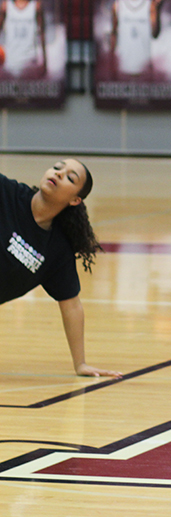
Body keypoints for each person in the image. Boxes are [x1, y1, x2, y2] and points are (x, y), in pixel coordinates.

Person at [1, 160, 121, 378]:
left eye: (70, 177)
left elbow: (71, 306)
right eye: (57, 168)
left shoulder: (57, 250)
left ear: (76, 200)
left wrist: (81, 364)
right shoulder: (7, 193)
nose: (58, 174)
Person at [110, 0, 164, 77]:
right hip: (123, 65)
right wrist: (112, 62)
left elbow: (155, 34)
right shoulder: (118, 4)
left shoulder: (150, 4)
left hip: (144, 65)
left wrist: (157, 11)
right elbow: (114, 33)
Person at [0, 0, 46, 77]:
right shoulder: (6, 6)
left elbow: (42, 34)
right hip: (10, 62)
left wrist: (45, 62)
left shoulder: (36, 6)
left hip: (30, 62)